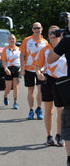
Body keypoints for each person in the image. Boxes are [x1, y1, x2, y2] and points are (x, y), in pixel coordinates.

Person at [35, 25, 65, 147]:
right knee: (49, 111)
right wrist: (38, 74)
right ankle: (49, 136)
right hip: (48, 81)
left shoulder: (65, 49)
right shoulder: (44, 50)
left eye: (55, 32)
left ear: (60, 35)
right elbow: (38, 67)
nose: (52, 35)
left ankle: (60, 135)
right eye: (50, 33)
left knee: (61, 111)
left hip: (62, 82)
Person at [48, 22, 70, 166]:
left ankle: (69, 158)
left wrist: (62, 41)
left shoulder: (67, 40)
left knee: (68, 126)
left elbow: (50, 59)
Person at [20, 22, 48, 120]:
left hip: (40, 70)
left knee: (40, 90)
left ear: (42, 29)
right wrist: (22, 68)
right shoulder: (27, 40)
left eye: (38, 28)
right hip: (28, 69)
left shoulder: (45, 42)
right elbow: (22, 55)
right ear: (32, 29)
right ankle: (31, 110)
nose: (37, 30)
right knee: (30, 90)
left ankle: (39, 109)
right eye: (35, 28)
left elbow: (47, 56)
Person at [1, 34, 20, 109]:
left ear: (15, 40)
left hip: (17, 69)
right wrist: (6, 69)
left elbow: (22, 60)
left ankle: (15, 102)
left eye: (13, 39)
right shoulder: (5, 50)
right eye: (10, 39)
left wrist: (21, 68)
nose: (12, 40)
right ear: (8, 40)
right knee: (8, 88)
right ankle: (5, 96)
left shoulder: (19, 49)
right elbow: (4, 61)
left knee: (16, 87)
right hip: (8, 69)